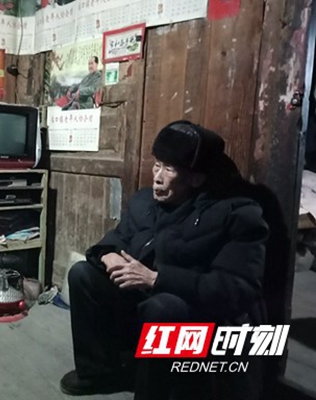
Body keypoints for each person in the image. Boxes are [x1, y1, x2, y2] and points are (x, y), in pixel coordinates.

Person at [60, 121, 270, 400]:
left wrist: (156, 279)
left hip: (200, 318)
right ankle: (99, 373)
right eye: (157, 165)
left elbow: (236, 290)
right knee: (83, 274)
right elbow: (118, 238)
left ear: (196, 178)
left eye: (169, 169)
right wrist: (105, 254)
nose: (157, 177)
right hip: (145, 299)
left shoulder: (235, 214)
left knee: (163, 308)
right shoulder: (146, 202)